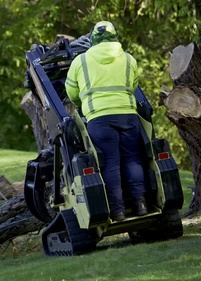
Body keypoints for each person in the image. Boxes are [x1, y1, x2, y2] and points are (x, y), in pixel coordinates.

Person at [65, 21, 147, 221]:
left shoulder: (80, 61)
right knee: (133, 159)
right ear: (115, 37)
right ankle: (141, 204)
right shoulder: (129, 59)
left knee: (110, 163)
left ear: (93, 38)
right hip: (128, 116)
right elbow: (134, 85)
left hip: (98, 119)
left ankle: (117, 211)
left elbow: (71, 91)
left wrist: (82, 104)